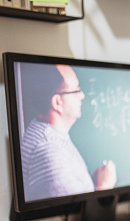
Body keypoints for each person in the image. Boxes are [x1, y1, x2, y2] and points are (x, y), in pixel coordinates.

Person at [20, 63, 117, 201]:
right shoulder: (49, 152)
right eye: (76, 90)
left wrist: (93, 187)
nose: (82, 95)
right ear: (57, 102)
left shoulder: (49, 135)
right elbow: (71, 212)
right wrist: (104, 188)